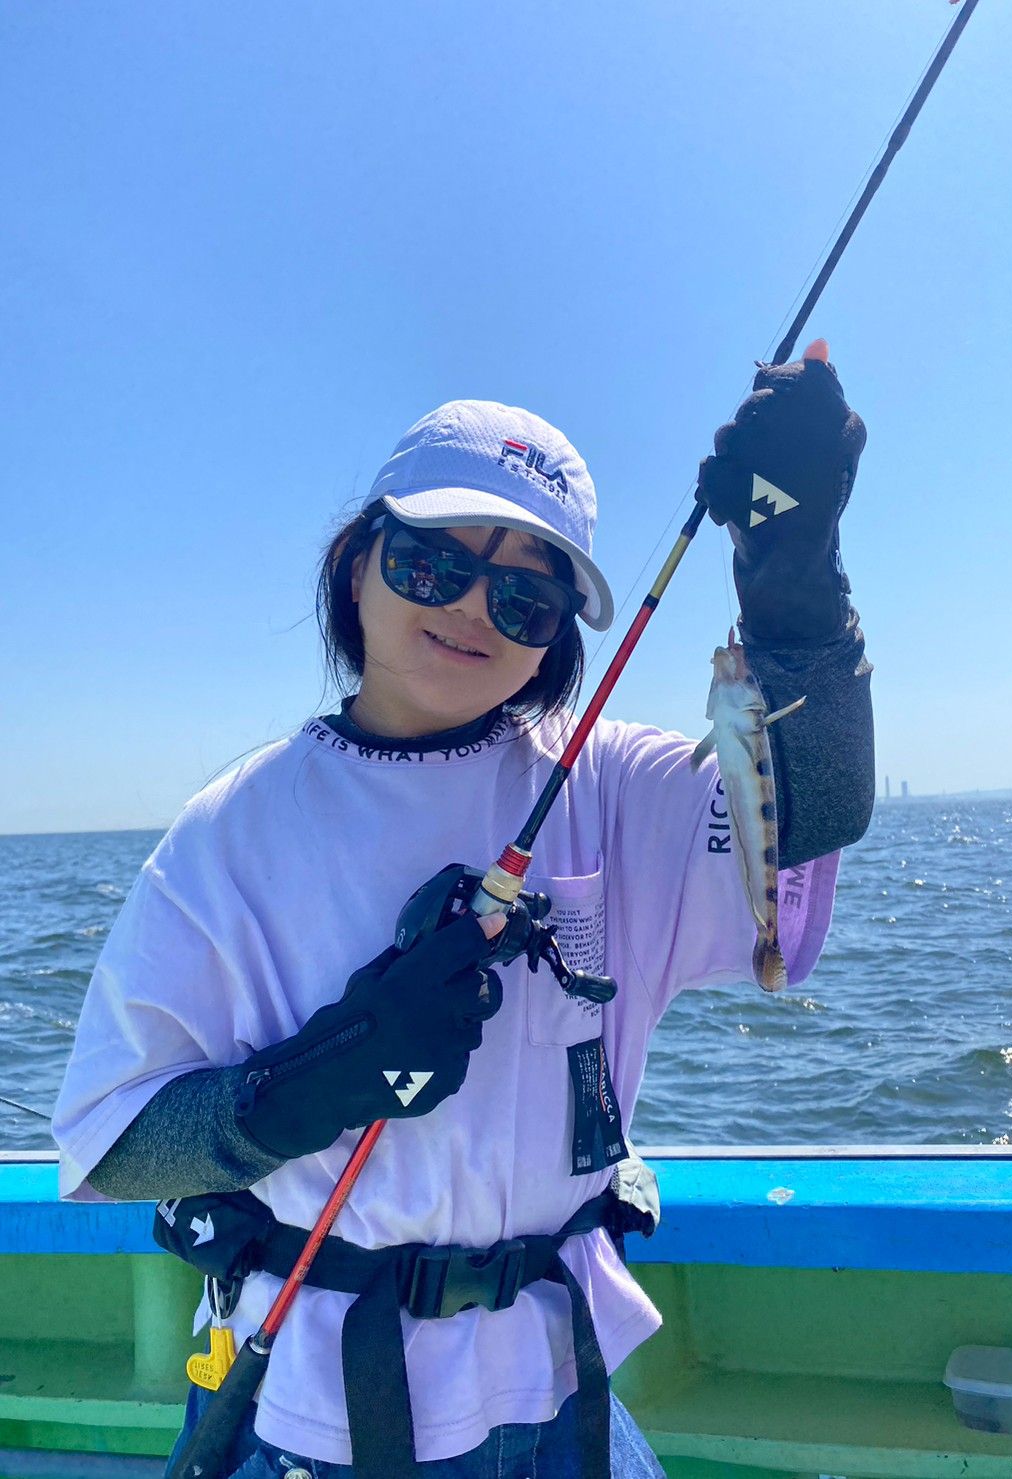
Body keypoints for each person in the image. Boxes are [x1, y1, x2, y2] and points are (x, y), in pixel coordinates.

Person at [53, 345, 873, 1479]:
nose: (472, 610)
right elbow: (111, 1141)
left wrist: (797, 577)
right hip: (311, 1408)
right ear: (358, 568)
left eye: (525, 597)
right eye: (431, 563)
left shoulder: (614, 785)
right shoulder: (229, 829)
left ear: (556, 635)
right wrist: (316, 1081)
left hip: (561, 1384)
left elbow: (813, 807)